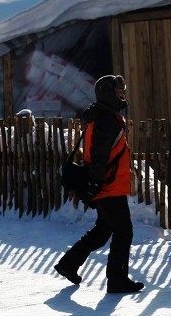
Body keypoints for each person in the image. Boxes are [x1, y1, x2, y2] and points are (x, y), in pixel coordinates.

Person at [54, 75, 144, 294]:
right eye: (118, 91)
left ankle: (68, 264)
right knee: (124, 231)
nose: (122, 95)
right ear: (107, 93)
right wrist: (95, 184)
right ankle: (117, 280)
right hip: (108, 186)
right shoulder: (106, 120)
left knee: (103, 230)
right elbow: (99, 156)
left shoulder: (106, 116)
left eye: (122, 91)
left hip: (108, 185)